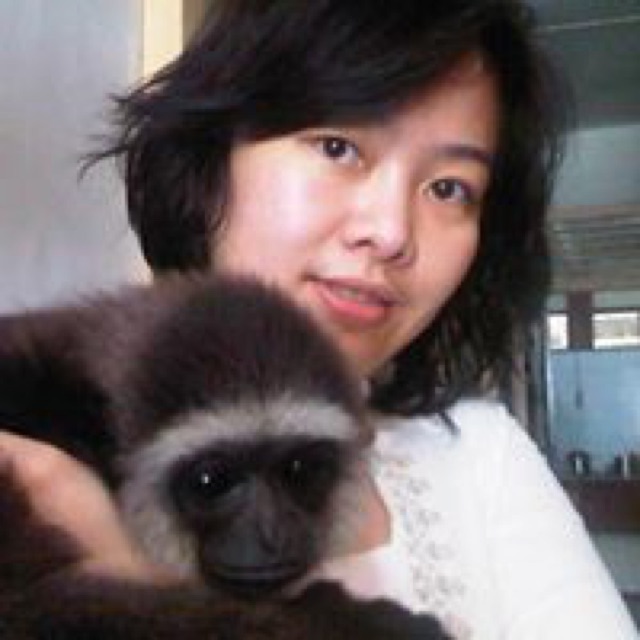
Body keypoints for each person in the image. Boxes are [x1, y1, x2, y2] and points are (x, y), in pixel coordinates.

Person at [1, 0, 637, 637]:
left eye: (449, 187)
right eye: (338, 147)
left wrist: (132, 587)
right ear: (212, 162)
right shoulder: (37, 398)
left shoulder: (481, 458)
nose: (391, 233)